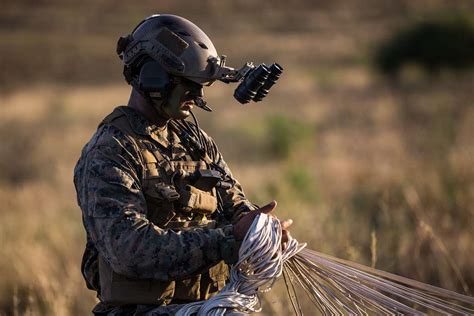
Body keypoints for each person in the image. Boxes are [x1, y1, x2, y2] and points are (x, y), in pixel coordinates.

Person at [74, 14, 292, 315]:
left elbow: (233, 201)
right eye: (188, 85)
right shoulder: (110, 150)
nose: (197, 96)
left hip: (207, 304)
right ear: (153, 78)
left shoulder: (195, 140)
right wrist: (228, 240)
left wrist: (259, 229)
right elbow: (129, 249)